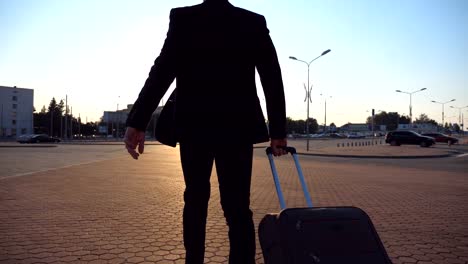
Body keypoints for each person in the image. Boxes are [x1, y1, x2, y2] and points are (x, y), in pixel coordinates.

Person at [124, 0, 287, 263]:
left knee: (195, 200)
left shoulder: (183, 19)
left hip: (194, 125)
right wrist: (277, 130)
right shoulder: (252, 22)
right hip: (237, 127)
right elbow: (271, 75)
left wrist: (138, 121)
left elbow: (162, 71)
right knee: (237, 208)